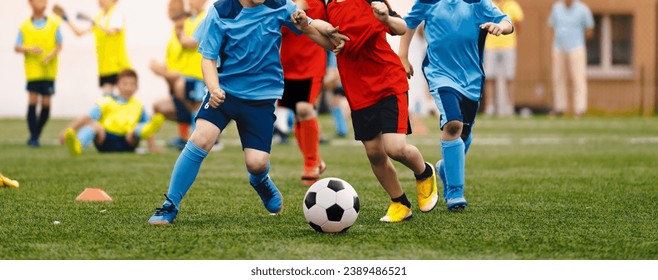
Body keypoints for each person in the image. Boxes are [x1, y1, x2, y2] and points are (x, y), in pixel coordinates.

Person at [147, 0, 348, 225]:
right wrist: (213, 89)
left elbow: (308, 26)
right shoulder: (220, 10)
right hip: (224, 93)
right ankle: (169, 205)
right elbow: (208, 59)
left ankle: (260, 180)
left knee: (257, 163)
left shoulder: (279, 5)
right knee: (200, 139)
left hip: (261, 99)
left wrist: (331, 40)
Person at [325, 0, 438, 223]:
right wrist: (326, 38)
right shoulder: (327, 4)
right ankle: (400, 203)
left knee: (395, 147)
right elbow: (319, 31)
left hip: (388, 81)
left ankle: (424, 172)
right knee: (375, 154)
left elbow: (400, 27)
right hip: (357, 89)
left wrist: (385, 18)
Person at [399, 0, 513, 211]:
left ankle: (446, 167)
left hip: (471, 81)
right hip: (439, 75)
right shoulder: (428, 2)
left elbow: (507, 22)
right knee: (453, 124)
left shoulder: (479, 3)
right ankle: (454, 192)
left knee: (464, 135)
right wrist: (403, 56)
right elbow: (409, 23)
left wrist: (501, 27)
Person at [59, 69, 165, 156]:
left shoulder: (139, 105)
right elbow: (87, 117)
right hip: (105, 139)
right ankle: (78, 146)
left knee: (138, 128)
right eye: (125, 83)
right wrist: (68, 129)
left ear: (137, 87)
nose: (128, 87)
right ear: (117, 85)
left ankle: (148, 128)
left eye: (132, 84)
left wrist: (152, 146)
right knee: (95, 125)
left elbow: (147, 128)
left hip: (128, 140)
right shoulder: (106, 101)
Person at [280, 0, 328, 186]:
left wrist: (333, 66)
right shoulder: (281, 4)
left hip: (311, 65)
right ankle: (315, 160)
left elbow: (329, 29)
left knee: (304, 109)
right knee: (297, 114)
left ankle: (310, 164)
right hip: (288, 67)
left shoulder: (320, 3)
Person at [15, 0, 63, 148]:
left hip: (49, 71)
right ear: (30, 3)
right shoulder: (24, 26)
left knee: (46, 104)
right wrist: (30, 49)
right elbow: (17, 47)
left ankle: (36, 133)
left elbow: (59, 45)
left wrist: (49, 56)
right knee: (33, 101)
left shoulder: (54, 24)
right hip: (33, 71)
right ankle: (34, 136)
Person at [59, 0, 132, 96]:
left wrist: (93, 22)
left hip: (119, 66)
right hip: (105, 67)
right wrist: (66, 19)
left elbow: (111, 31)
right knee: (107, 99)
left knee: (123, 99)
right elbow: (79, 33)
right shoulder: (99, 18)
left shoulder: (116, 15)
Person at [548, 0, 594, 119]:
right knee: (558, 77)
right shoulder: (556, 8)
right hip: (559, 47)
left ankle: (580, 109)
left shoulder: (583, 9)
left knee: (578, 78)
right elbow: (552, 27)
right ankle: (560, 107)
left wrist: (578, 40)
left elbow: (589, 29)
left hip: (576, 47)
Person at [483, 0, 523, 117]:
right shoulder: (488, 3)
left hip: (508, 46)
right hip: (490, 45)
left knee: (509, 77)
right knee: (490, 77)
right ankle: (490, 107)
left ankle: (510, 107)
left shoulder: (512, 5)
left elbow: (518, 25)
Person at [324, 50, 349, 138]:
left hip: (339, 81)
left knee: (336, 103)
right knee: (335, 104)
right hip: (338, 80)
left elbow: (333, 72)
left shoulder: (333, 53)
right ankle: (341, 129)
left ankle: (342, 130)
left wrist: (323, 82)